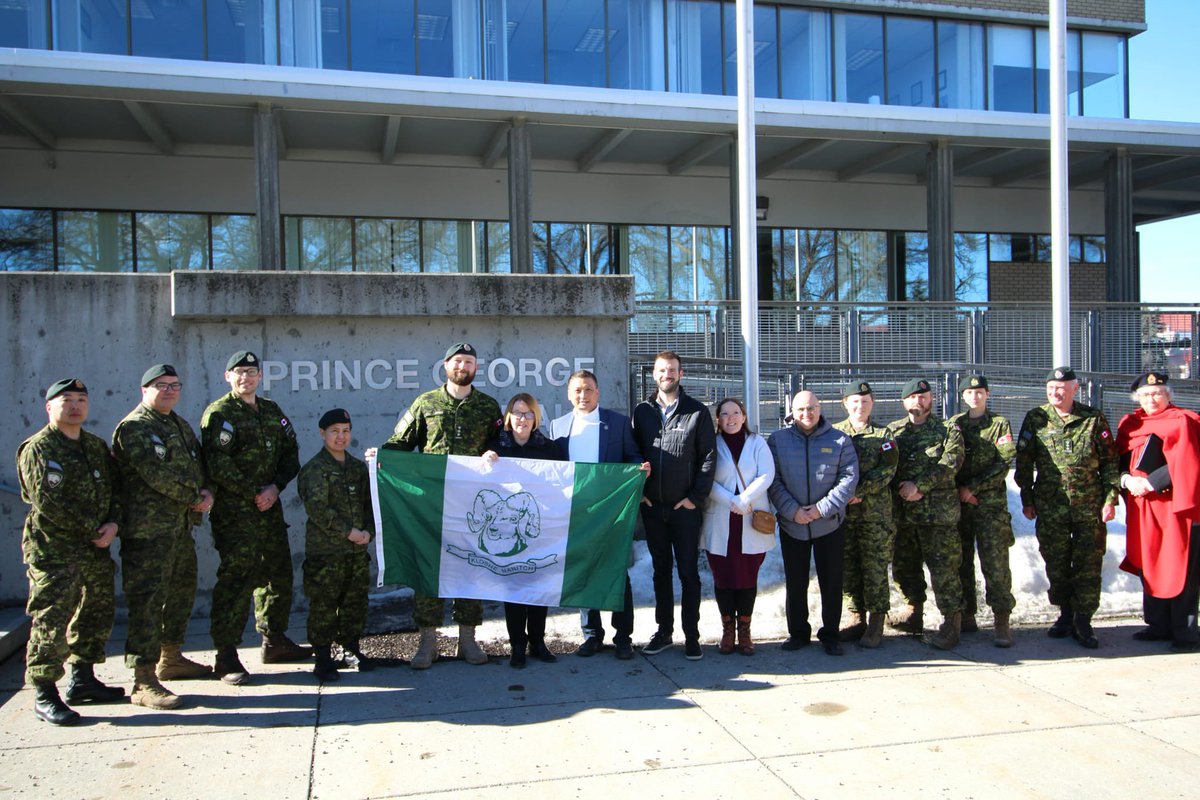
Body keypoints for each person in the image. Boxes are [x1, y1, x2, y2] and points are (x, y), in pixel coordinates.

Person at [381, 342, 502, 669]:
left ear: (476, 368)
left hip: (472, 506)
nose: (463, 366)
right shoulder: (425, 403)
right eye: (458, 361)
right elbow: (399, 443)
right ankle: (428, 641)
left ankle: (467, 639)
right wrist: (380, 458)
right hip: (432, 504)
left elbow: (500, 443)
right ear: (446, 365)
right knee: (429, 566)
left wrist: (493, 451)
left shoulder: (489, 407)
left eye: (469, 362)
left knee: (470, 566)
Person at [17, 378, 125, 725]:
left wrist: (113, 524)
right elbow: (47, 503)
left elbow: (116, 490)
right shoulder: (39, 448)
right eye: (66, 399)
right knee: (51, 618)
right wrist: (93, 531)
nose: (75, 405)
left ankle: (83, 678)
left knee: (95, 611)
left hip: (95, 547)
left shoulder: (94, 447)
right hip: (54, 551)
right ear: (50, 407)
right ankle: (44, 692)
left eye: (81, 398)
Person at [201, 350, 308, 687]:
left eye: (251, 371)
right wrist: (253, 492)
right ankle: (226, 656)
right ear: (227, 376)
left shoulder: (272, 412)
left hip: (269, 508)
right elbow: (217, 463)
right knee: (236, 580)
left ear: (260, 376)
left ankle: (274, 639)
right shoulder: (220, 413)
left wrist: (275, 488)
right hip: (236, 513)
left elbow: (291, 452)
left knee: (277, 574)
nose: (246, 377)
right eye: (239, 372)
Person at [112, 364, 213, 710]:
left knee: (180, 594)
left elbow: (200, 467)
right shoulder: (135, 428)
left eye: (174, 385)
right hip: (148, 533)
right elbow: (154, 474)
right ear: (145, 390)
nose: (169, 390)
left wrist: (207, 490)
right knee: (148, 603)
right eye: (161, 385)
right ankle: (142, 680)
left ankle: (170, 658)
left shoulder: (179, 425)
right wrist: (194, 496)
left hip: (179, 528)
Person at [1015, 367, 1118, 649]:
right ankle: (1065, 614)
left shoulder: (1092, 418)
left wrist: (1110, 499)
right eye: (1051, 389)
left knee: (1087, 563)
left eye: (1061, 388)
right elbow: (1024, 461)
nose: (1055, 393)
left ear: (1075, 389)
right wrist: (1027, 498)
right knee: (1056, 562)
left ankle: (1083, 620)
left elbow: (1110, 462)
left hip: (1089, 506)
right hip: (1050, 505)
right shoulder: (1036, 418)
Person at [548, 369, 647, 660]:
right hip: (576, 514)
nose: (583, 395)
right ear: (569, 394)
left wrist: (639, 467)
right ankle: (591, 635)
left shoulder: (616, 423)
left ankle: (623, 637)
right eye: (577, 390)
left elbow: (632, 456)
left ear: (598, 392)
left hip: (611, 513)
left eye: (588, 389)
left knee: (617, 573)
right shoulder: (558, 427)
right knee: (584, 572)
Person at [632, 351, 716, 660]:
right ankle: (664, 631)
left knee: (689, 573)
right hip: (653, 507)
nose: (667, 374)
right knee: (660, 571)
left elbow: (709, 457)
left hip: (685, 509)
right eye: (661, 370)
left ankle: (691, 635)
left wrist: (695, 498)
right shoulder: (642, 411)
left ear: (681, 374)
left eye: (672, 370)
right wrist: (638, 491)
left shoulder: (697, 411)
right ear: (654, 374)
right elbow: (633, 453)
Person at [768, 390, 858, 656]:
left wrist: (820, 509)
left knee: (831, 581)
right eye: (801, 410)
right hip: (792, 523)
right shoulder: (777, 440)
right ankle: (798, 633)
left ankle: (830, 634)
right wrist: (792, 510)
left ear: (820, 409)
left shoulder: (840, 440)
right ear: (792, 412)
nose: (806, 414)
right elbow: (772, 479)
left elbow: (848, 479)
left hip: (829, 523)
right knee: (796, 582)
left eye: (811, 408)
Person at [1116, 371, 1200, 652]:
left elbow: (1187, 460)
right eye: (1146, 395)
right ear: (1136, 398)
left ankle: (1185, 633)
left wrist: (1151, 483)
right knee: (1149, 563)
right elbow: (1118, 460)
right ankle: (1158, 624)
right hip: (1142, 508)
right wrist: (1126, 480)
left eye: (1158, 393)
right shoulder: (1131, 423)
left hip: (1175, 509)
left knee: (1180, 568)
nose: (1152, 398)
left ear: (1168, 395)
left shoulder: (1183, 421)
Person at [483, 393, 564, 668]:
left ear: (536, 418)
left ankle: (538, 642)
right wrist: (485, 459)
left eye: (528, 413)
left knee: (538, 586)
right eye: (517, 413)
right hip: (507, 532)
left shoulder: (549, 449)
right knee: (514, 586)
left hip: (538, 526)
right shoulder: (495, 447)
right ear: (508, 417)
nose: (522, 418)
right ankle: (517, 644)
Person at [887, 378, 967, 650]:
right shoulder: (894, 432)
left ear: (931, 399)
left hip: (938, 516)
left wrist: (919, 486)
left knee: (944, 570)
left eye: (923, 397)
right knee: (904, 568)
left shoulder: (947, 429)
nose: (917, 402)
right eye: (912, 398)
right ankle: (913, 613)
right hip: (904, 515)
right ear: (904, 402)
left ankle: (951, 623)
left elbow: (951, 462)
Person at [298, 409, 376, 682]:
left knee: (355, 602)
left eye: (345, 431)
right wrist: (350, 532)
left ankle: (349, 649)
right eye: (334, 431)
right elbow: (319, 510)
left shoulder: (356, 468)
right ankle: (322, 657)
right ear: (322, 434)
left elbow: (370, 505)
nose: (341, 437)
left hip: (356, 552)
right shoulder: (315, 470)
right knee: (324, 605)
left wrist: (368, 531)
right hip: (327, 552)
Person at [701, 397, 776, 656]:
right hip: (721, 518)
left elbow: (767, 474)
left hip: (749, 517)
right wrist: (729, 499)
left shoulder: (757, 443)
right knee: (723, 577)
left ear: (744, 417)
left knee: (746, 577)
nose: (731, 418)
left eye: (736, 413)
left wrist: (743, 499)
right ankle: (727, 630)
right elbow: (704, 478)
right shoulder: (711, 443)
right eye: (725, 414)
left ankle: (744, 631)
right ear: (718, 419)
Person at [950, 375, 1018, 648]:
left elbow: (1004, 462)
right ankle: (967, 615)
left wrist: (973, 488)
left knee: (995, 563)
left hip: (990, 506)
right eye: (969, 392)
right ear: (963, 396)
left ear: (987, 394)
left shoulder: (999, 424)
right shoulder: (956, 424)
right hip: (961, 505)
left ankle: (1001, 619)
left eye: (979, 392)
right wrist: (959, 490)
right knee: (961, 561)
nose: (975, 396)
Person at [832, 380, 898, 649]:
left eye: (866, 401)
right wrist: (844, 495)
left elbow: (888, 470)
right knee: (848, 567)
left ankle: (876, 621)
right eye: (855, 401)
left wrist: (859, 491)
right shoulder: (834, 433)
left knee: (874, 567)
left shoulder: (885, 434)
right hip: (843, 514)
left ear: (873, 404)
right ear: (845, 404)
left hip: (874, 513)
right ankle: (856, 617)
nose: (861, 406)